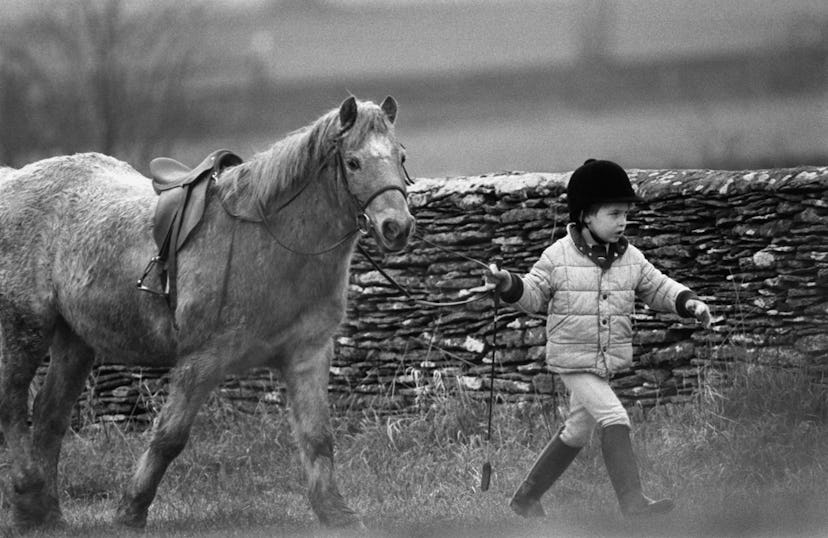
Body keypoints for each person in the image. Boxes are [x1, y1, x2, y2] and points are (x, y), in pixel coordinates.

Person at [485, 159, 712, 518]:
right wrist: (508, 284)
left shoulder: (630, 258)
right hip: (572, 360)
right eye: (614, 213)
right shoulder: (557, 257)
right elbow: (532, 294)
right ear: (587, 215)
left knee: (577, 431)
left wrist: (688, 302)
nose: (623, 221)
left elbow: (658, 287)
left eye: (626, 214)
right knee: (615, 417)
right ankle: (632, 501)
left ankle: (525, 498)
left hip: (602, 361)